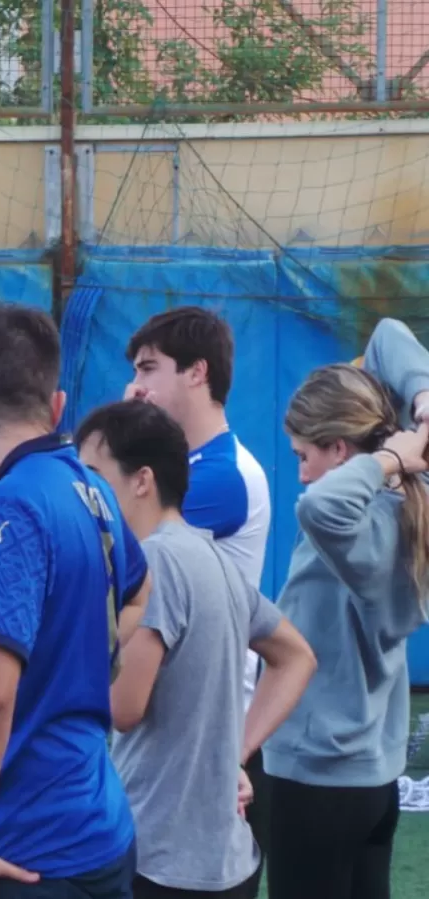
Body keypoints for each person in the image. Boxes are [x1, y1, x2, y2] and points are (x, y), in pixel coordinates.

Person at [0, 302, 151, 899]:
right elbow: (141, 588)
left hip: (29, 854)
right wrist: (87, 657)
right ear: (58, 406)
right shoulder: (91, 488)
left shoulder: (9, 508)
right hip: (100, 827)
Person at [76, 400, 316, 899]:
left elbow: (123, 708)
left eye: (94, 476)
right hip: (226, 861)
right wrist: (238, 752)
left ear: (142, 480)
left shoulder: (153, 562)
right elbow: (296, 657)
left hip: (160, 858)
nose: (84, 494)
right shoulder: (214, 558)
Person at [263, 317, 429, 899]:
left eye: (305, 454)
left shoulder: (361, 524)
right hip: (372, 779)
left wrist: (387, 457)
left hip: (317, 779)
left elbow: (320, 507)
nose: (300, 469)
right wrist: (425, 407)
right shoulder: (409, 501)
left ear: (340, 449)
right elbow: (388, 332)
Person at [122, 306, 272, 879]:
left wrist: (121, 431)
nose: (137, 385)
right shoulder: (181, 468)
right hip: (170, 713)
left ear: (197, 373)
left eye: (149, 369)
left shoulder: (217, 477)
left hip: (192, 729)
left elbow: (105, 547)